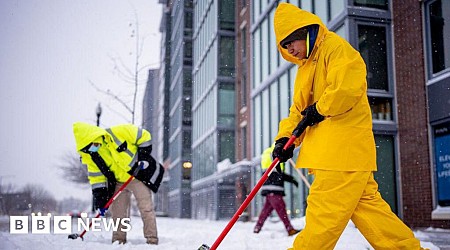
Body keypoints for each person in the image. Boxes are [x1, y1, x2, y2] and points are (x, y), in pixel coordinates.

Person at [272, 3, 427, 250]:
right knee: (373, 215)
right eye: (284, 46)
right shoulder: (305, 68)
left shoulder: (334, 48)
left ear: (305, 32)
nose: (289, 49)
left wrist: (320, 109)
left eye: (291, 42)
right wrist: (285, 140)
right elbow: (298, 112)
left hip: (339, 153)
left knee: (322, 220)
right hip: (344, 156)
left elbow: (347, 87)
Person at [73, 122, 159, 245]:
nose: (92, 148)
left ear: (95, 136)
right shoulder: (93, 156)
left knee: (146, 209)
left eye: (91, 144)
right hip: (119, 182)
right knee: (118, 214)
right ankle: (119, 241)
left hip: (137, 177)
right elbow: (97, 179)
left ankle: (152, 240)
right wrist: (101, 201)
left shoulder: (119, 132)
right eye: (88, 148)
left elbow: (144, 136)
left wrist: (143, 157)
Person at [254, 144, 300, 236]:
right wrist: (292, 179)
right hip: (274, 188)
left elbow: (278, 174)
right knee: (281, 208)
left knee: (266, 210)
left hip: (269, 188)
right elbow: (279, 174)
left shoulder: (268, 152)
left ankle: (257, 227)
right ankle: (289, 229)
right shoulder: (275, 152)